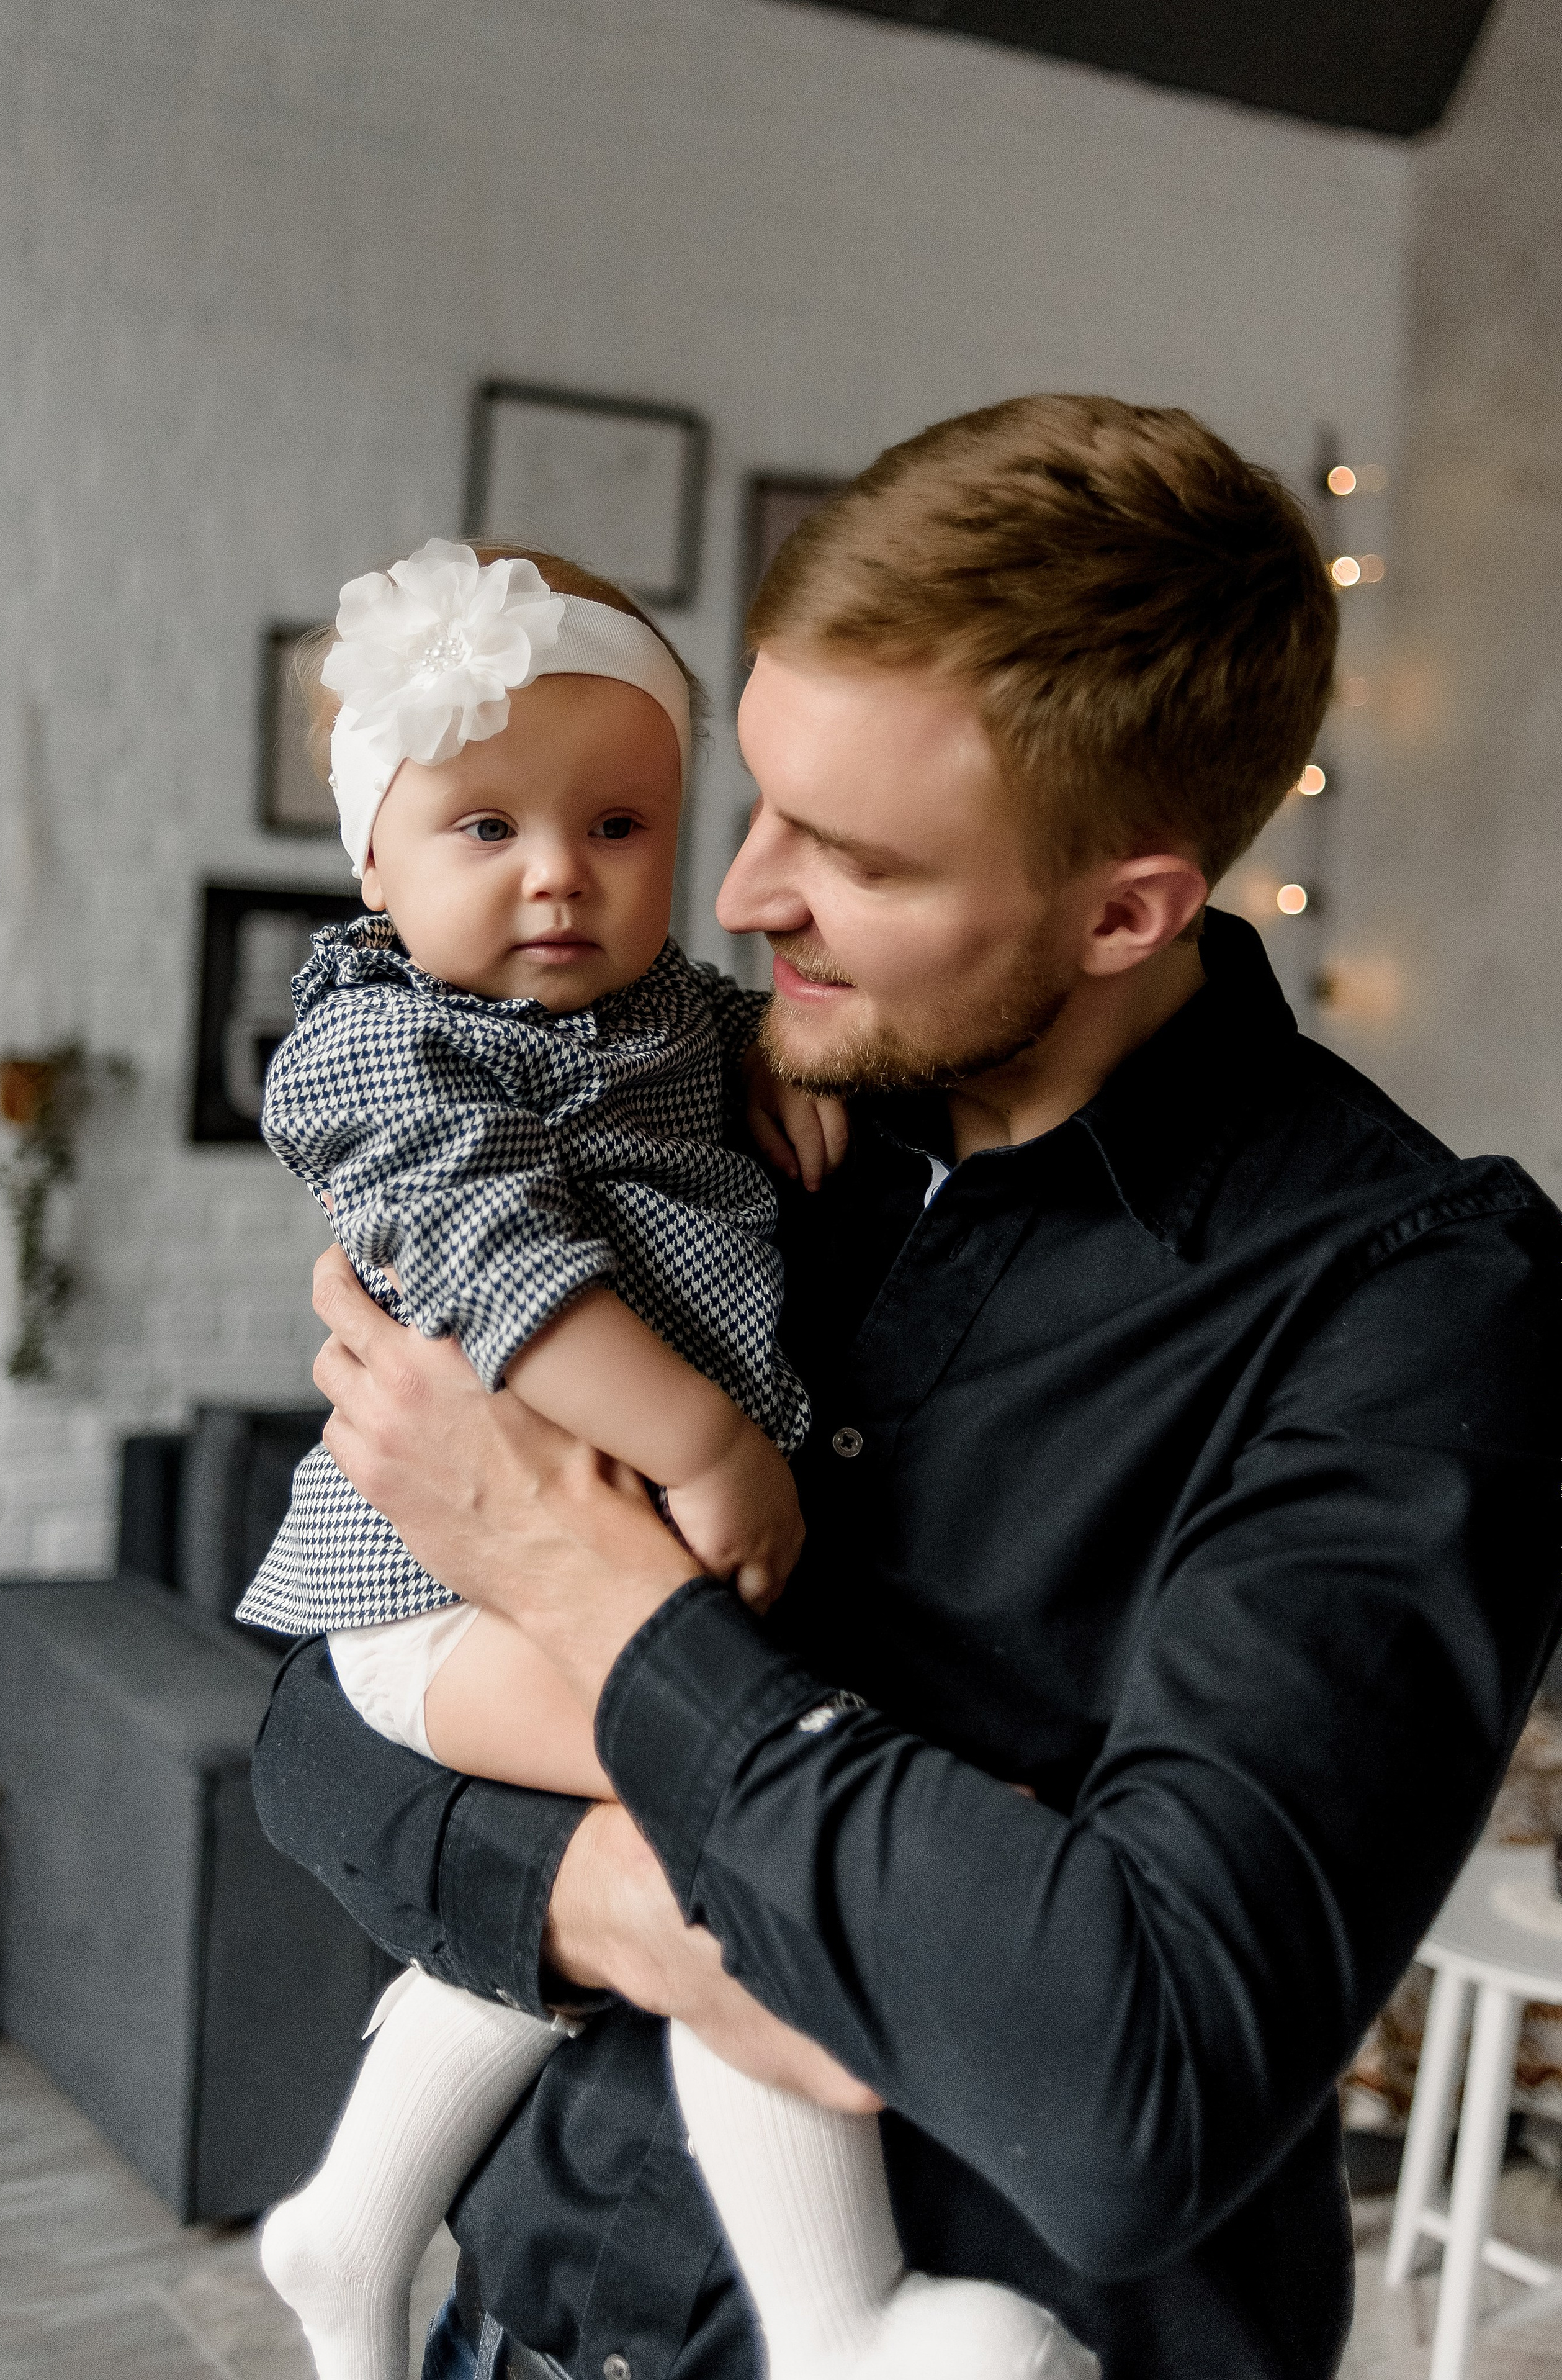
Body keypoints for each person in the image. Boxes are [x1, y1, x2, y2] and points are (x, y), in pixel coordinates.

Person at [251, 394, 1562, 2380]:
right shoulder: (717, 1127)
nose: (749, 896)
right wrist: (617, 1894)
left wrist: (602, 1599)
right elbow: (316, 1740)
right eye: (754, 799)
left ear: (1130, 905)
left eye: (850, 853)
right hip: (520, 2326)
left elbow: (1138, 2089)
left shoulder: (1417, 1306)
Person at [239, 535, 1085, 2380]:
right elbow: (496, 1266)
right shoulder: (375, 1048)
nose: (562, 874)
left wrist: (794, 1053)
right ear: (371, 856)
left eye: (620, 826)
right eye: (485, 831)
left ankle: (356, 2221)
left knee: (656, 1841)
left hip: (563, 1584)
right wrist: (708, 1444)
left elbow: (736, 1018)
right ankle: (840, 2311)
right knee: (751, 1827)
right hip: (429, 1598)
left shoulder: (665, 1020)